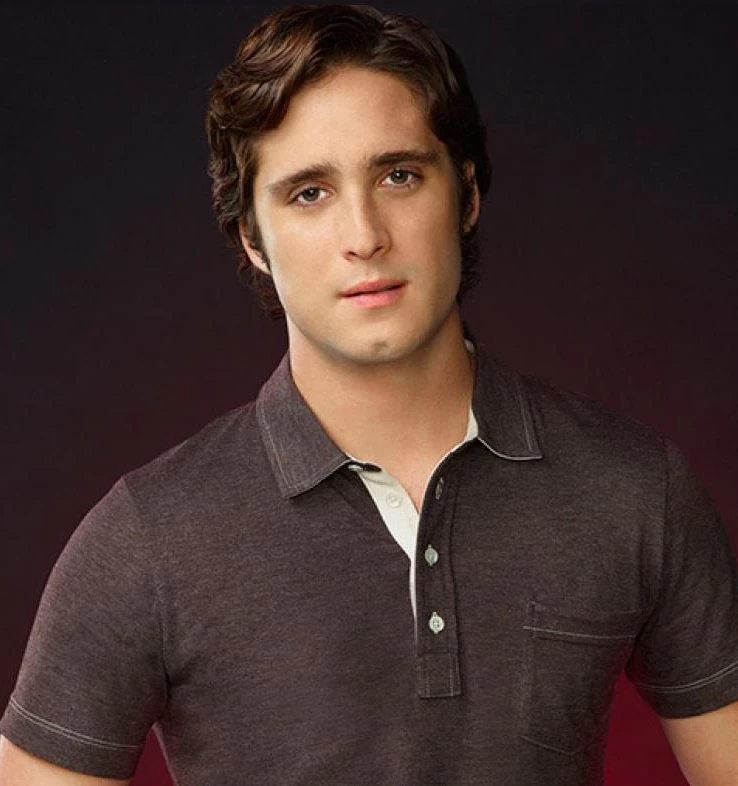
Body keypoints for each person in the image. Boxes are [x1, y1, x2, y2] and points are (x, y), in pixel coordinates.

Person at [1, 5, 737, 785]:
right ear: (252, 238)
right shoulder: (145, 538)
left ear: (466, 195)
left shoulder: (636, 490)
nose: (364, 234)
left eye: (399, 176)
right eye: (308, 193)